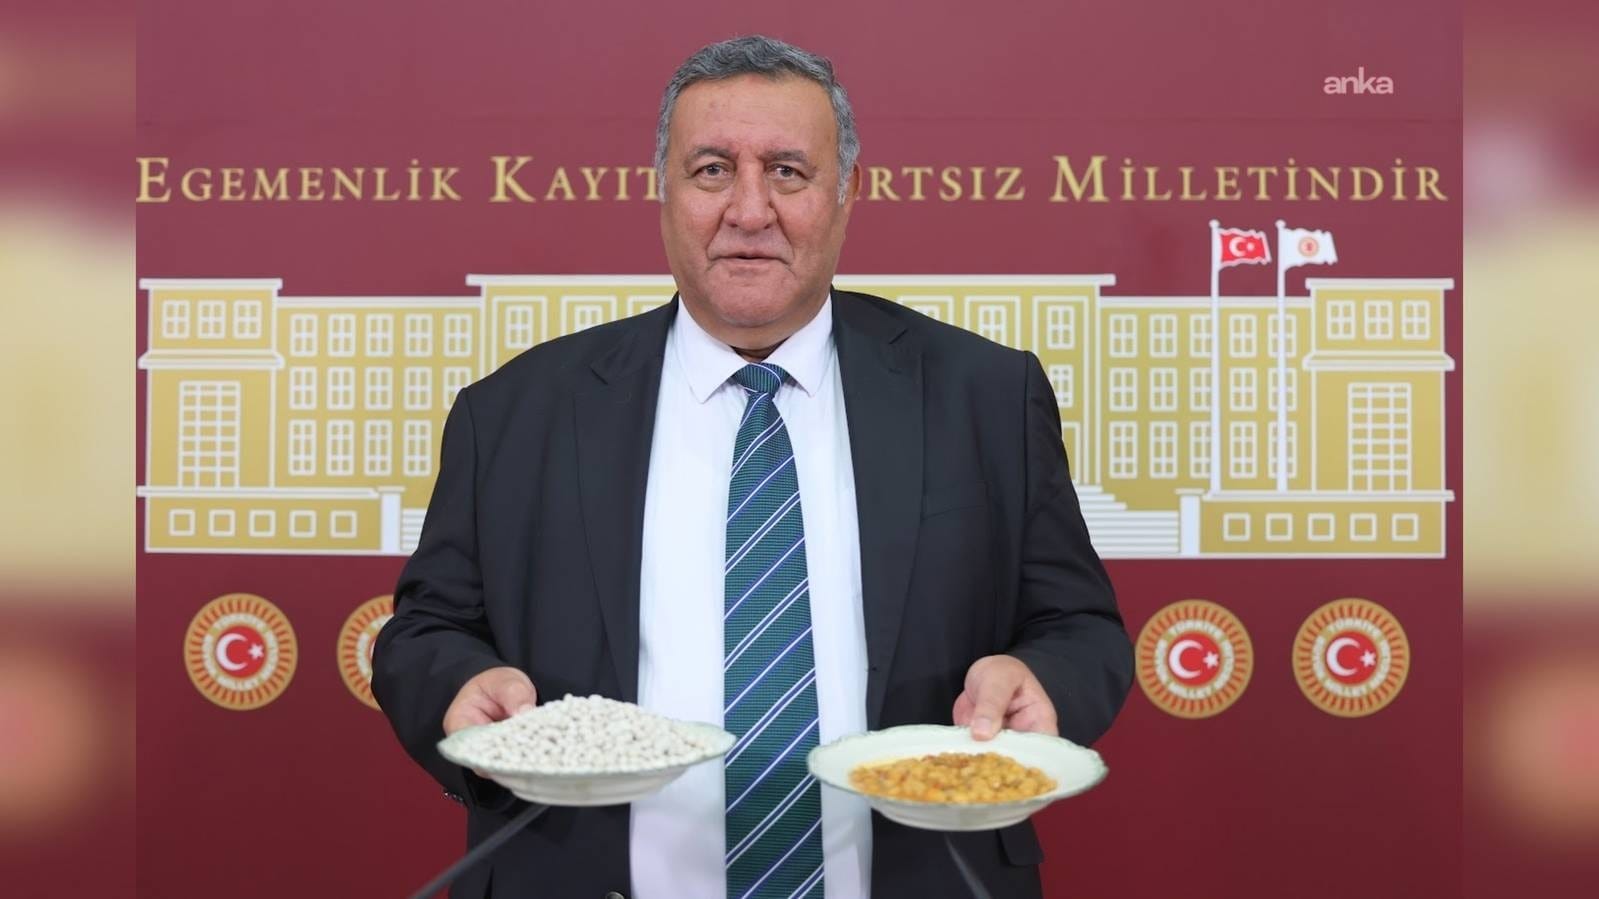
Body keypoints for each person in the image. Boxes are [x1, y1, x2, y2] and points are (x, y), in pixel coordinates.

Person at [373, 34, 1132, 899]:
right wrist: (462, 686)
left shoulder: (984, 395)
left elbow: (1078, 627)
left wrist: (1042, 683)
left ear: (846, 194)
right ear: (663, 191)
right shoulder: (515, 411)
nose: (747, 209)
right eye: (710, 170)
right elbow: (425, 631)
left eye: (786, 171)